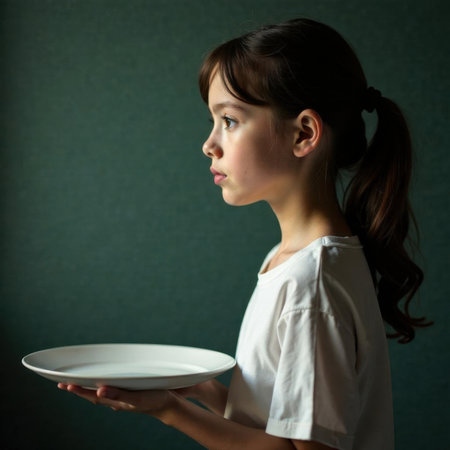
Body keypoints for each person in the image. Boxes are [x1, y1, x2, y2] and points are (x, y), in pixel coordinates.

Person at [58, 18, 430, 450]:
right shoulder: (293, 260)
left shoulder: (311, 282)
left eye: (229, 120)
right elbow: (278, 419)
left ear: (304, 134)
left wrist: (169, 412)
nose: (209, 144)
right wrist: (199, 391)